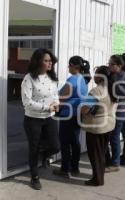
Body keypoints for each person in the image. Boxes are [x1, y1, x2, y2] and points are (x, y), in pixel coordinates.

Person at [21, 48, 60, 190]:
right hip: (33, 120)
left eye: (51, 61)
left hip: (49, 118)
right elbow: (27, 102)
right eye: (46, 61)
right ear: (38, 61)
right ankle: (34, 177)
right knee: (34, 148)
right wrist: (47, 107)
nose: (50, 64)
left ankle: (44, 156)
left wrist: (56, 104)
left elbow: (55, 95)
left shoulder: (51, 77)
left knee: (55, 146)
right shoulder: (28, 78)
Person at [53, 56, 90, 178]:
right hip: (78, 115)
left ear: (76, 67)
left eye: (69, 65)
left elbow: (62, 98)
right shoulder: (83, 80)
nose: (68, 67)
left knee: (65, 143)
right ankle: (75, 168)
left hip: (67, 116)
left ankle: (65, 169)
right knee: (75, 142)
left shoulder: (72, 80)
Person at [81, 66, 117, 186]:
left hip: (96, 127)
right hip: (109, 125)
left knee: (95, 154)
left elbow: (85, 109)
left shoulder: (97, 91)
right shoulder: (112, 89)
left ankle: (97, 180)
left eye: (96, 74)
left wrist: (81, 109)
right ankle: (100, 175)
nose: (94, 76)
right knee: (101, 152)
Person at [106, 55, 125, 172]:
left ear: (119, 65)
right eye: (109, 64)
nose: (109, 66)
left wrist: (114, 83)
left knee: (115, 135)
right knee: (112, 135)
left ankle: (115, 163)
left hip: (120, 109)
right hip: (113, 109)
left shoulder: (123, 76)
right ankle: (112, 160)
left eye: (112, 64)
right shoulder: (113, 75)